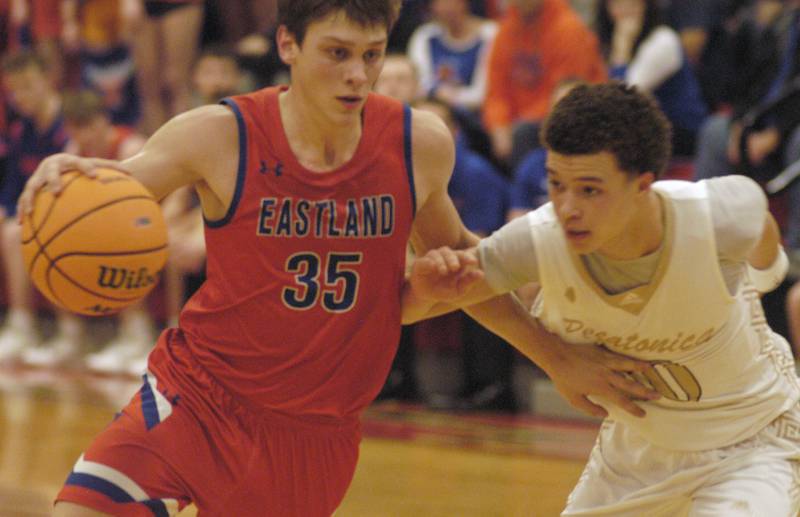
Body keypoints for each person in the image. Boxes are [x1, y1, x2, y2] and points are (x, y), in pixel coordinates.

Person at [21, 4, 658, 515]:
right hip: (197, 395)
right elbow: (123, 186)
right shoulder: (219, 133)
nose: (358, 74)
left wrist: (560, 357)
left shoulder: (417, 144)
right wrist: (73, 177)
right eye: (337, 53)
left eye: (372, 56)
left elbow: (467, 270)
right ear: (288, 46)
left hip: (314, 433)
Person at [405, 82, 800, 516]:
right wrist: (424, 287)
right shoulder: (537, 241)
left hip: (753, 440)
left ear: (643, 185)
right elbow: (424, 304)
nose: (568, 207)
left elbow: (762, 233)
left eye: (590, 190)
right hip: (639, 450)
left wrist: (761, 278)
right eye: (557, 184)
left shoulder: (718, 215)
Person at [595, 0, 708, 157]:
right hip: (642, 130)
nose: (625, 10)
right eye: (617, 4)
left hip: (681, 133)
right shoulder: (607, 42)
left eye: (633, 3)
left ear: (646, 5)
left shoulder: (663, 40)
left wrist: (622, 45)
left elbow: (622, 97)